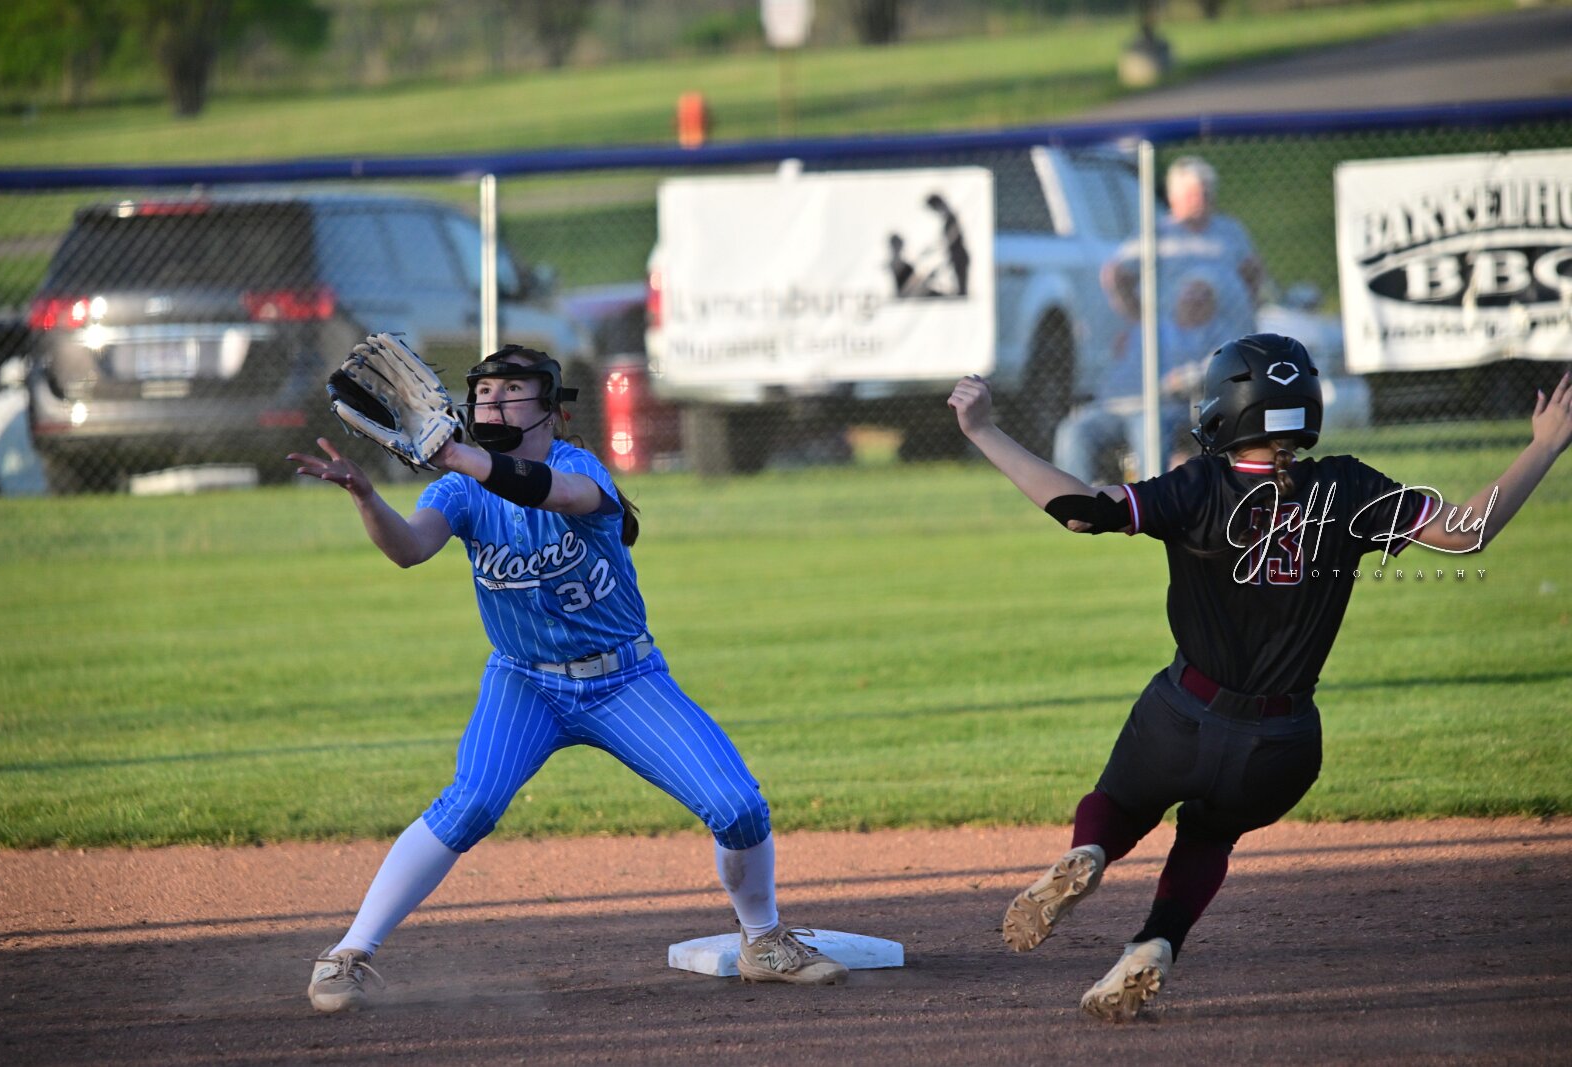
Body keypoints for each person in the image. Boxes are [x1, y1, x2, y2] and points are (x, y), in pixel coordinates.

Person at [947, 334, 1572, 1022]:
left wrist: (984, 430)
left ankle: (1090, 850)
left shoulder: (1200, 484)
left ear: (1224, 410)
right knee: (1208, 837)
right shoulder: (1348, 486)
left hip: (1181, 719)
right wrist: (1544, 445)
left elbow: (1082, 509)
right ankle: (1155, 942)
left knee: (1120, 804)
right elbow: (1466, 532)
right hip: (1283, 747)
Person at [290, 344, 848, 1013]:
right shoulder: (459, 490)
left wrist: (456, 454)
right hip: (524, 683)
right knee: (469, 806)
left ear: (552, 409)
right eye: (484, 392)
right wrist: (366, 496)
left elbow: (556, 493)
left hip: (623, 680)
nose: (493, 401)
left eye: (512, 390)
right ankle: (348, 953)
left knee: (738, 806)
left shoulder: (579, 466)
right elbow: (409, 548)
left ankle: (763, 941)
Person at [1056, 156, 1266, 483]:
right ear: (1174, 198)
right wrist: (1140, 320)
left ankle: (1151, 497)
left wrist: (1244, 313)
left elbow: (1253, 271)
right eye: (1194, 194)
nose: (1202, 201)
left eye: (1206, 193)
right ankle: (1075, 500)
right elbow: (1116, 274)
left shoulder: (1230, 232)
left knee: (1154, 423)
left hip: (1202, 365)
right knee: (1076, 430)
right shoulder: (1158, 235)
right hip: (1159, 354)